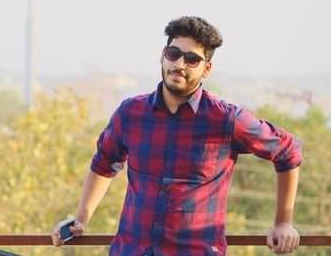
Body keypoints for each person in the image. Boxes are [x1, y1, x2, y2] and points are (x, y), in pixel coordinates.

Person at [52, 16, 302, 255]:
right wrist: (81, 218)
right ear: (163, 56)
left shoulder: (225, 119)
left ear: (207, 69)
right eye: (174, 54)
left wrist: (283, 222)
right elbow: (104, 163)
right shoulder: (130, 113)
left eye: (192, 59)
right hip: (132, 250)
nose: (179, 65)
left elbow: (287, 150)